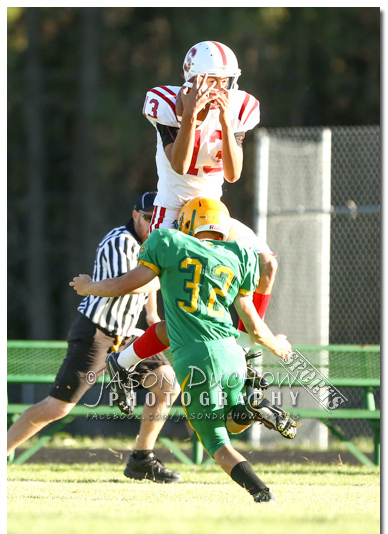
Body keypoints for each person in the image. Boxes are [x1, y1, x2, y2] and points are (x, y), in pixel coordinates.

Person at [71, 198, 297, 503]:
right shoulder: (239, 255)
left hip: (195, 357)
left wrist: (89, 286)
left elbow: (126, 284)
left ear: (190, 223)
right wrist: (277, 344)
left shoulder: (169, 242)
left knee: (216, 442)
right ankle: (249, 408)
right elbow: (253, 324)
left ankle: (262, 492)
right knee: (231, 421)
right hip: (231, 353)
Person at [7, 192, 181, 484]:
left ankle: (142, 458)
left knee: (167, 385)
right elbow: (126, 284)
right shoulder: (119, 241)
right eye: (149, 219)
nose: (154, 226)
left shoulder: (153, 242)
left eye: (159, 221)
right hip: (97, 332)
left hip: (127, 335)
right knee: (58, 407)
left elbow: (148, 282)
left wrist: (152, 316)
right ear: (135, 214)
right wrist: (169, 273)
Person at [143, 40, 277, 343]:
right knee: (179, 313)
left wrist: (227, 124)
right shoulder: (167, 104)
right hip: (173, 210)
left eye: (223, 80)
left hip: (213, 213)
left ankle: (246, 350)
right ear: (191, 79)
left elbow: (233, 173)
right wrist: (190, 115)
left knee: (267, 264)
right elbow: (179, 164)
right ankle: (124, 360)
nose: (218, 87)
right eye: (210, 79)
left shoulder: (239, 107)